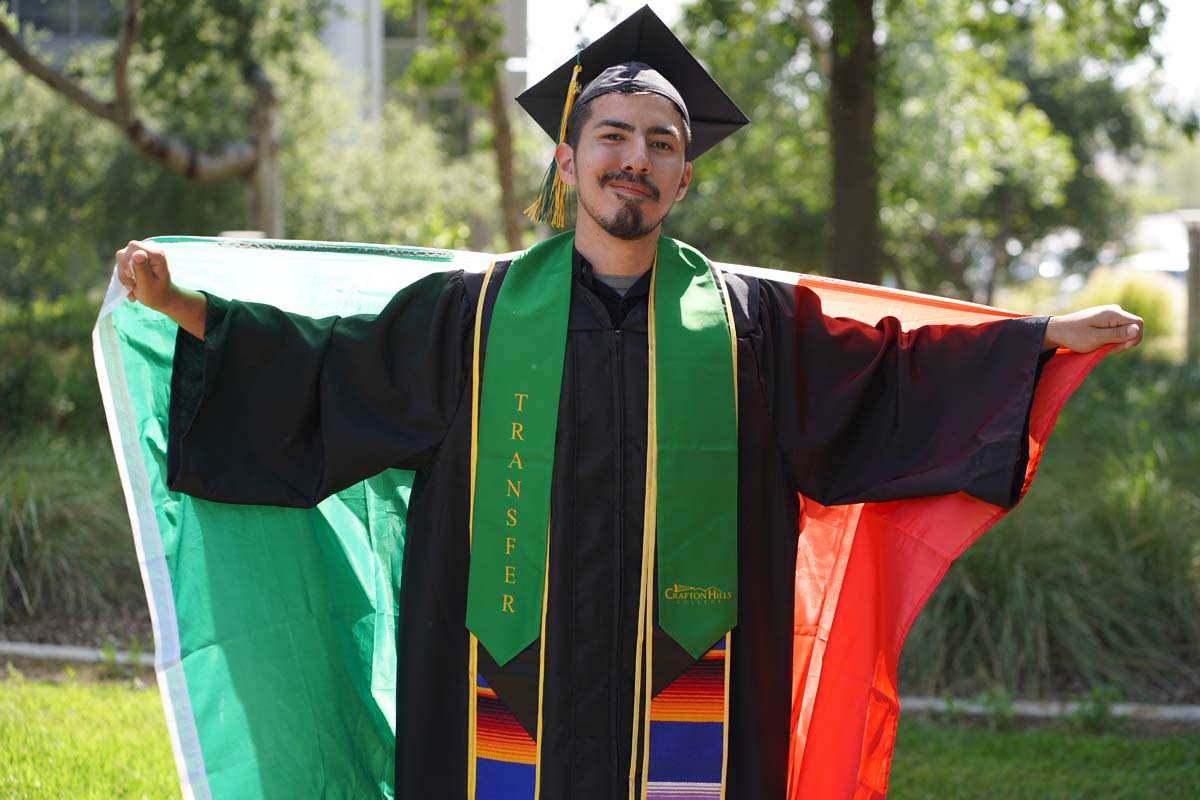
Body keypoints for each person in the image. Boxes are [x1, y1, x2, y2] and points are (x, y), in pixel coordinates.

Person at [113, 7, 1142, 799]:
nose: (633, 157)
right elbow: (326, 371)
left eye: (659, 142)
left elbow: (889, 377)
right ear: (570, 162)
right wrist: (187, 309)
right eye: (612, 135)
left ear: (683, 177)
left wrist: (1034, 339)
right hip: (497, 707)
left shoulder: (751, 327)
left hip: (690, 698)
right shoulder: (467, 320)